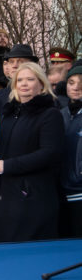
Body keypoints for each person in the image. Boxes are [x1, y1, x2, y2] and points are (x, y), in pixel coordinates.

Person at [0, 62, 64, 242]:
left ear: (41, 84)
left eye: (30, 79)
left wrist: (9, 165)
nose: (24, 84)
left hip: (33, 197)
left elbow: (49, 153)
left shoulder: (50, 114)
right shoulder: (9, 113)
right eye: (19, 80)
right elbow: (3, 144)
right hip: (4, 195)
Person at [61, 65, 82, 236]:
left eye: (81, 83)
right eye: (71, 82)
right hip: (61, 189)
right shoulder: (60, 114)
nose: (76, 87)